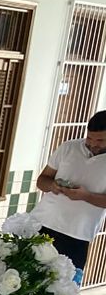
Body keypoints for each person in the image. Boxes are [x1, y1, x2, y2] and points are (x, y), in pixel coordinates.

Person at [34, 110, 106, 272]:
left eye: (100, 140)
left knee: (64, 284)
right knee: (24, 278)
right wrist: (52, 186)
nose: (93, 144)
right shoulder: (69, 147)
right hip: (42, 223)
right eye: (89, 138)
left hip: (77, 234)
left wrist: (86, 196)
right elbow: (42, 180)